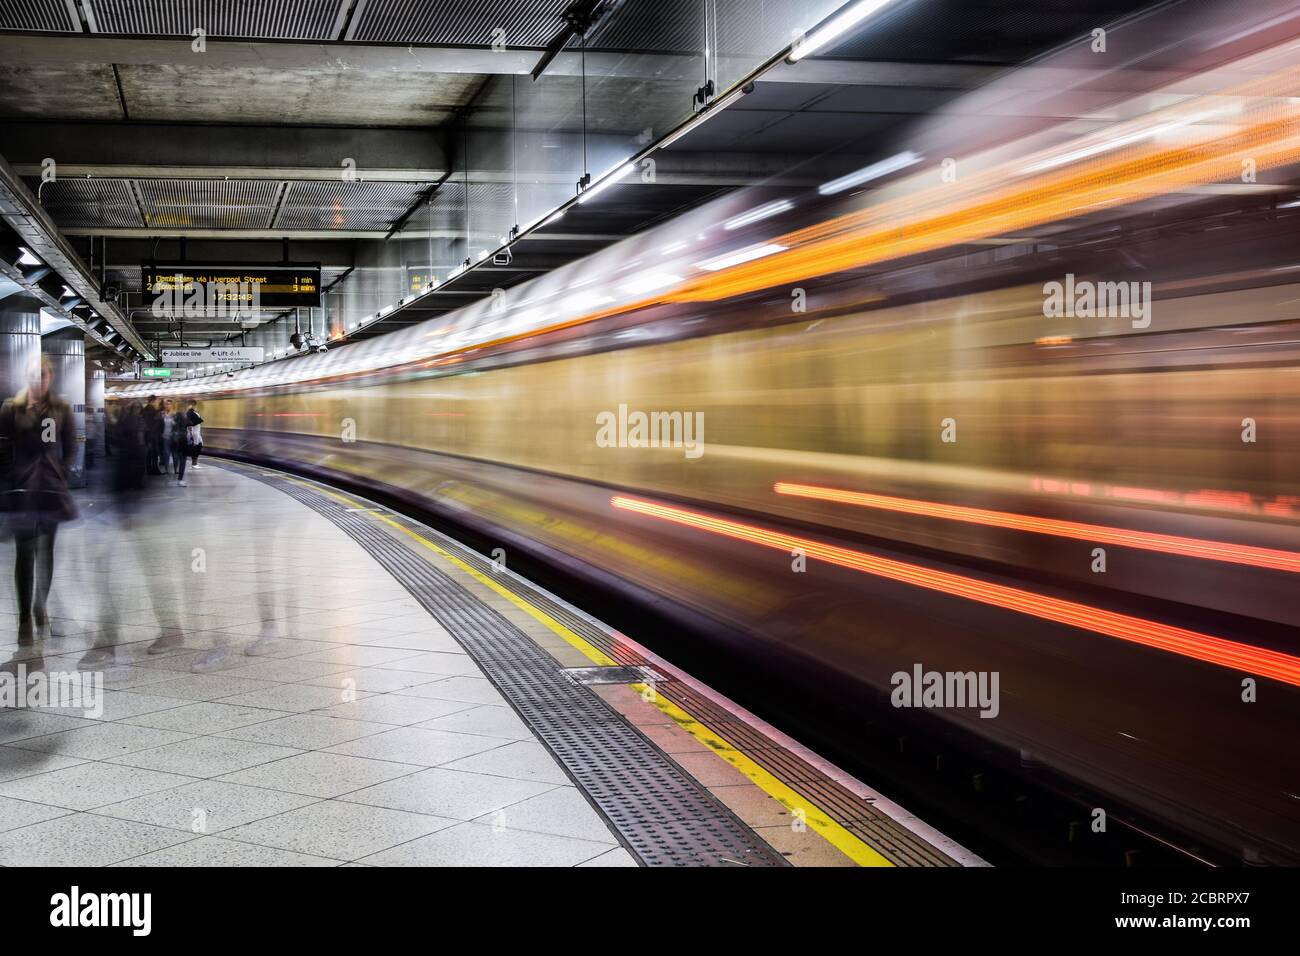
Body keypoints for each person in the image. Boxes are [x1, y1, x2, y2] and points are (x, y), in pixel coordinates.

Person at [0, 357, 79, 647]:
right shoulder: (11, 408)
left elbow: (70, 446)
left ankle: (40, 605)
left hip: (50, 491)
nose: (39, 379)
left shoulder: (62, 408)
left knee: (45, 553)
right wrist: (9, 477)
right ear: (27, 376)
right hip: (22, 491)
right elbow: (2, 446)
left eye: (44, 375)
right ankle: (24, 618)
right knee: (24, 554)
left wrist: (62, 471)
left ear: (50, 377)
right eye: (34, 374)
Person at [142, 394, 162, 475]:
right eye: (156, 401)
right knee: (154, 453)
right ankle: (155, 469)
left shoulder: (144, 409)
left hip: (147, 434)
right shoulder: (152, 409)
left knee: (149, 453)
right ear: (153, 401)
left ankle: (149, 469)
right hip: (152, 434)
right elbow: (155, 421)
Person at [185, 401, 204, 471]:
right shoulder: (190, 413)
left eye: (194, 405)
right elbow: (189, 423)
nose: (194, 406)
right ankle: (194, 464)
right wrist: (190, 432)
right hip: (194, 432)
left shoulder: (193, 412)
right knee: (196, 447)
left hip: (197, 432)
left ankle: (195, 463)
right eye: (192, 405)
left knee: (199, 445)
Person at [159, 398, 176, 475]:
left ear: (172, 405)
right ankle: (166, 469)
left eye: (169, 404)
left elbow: (178, 425)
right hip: (165, 437)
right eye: (166, 404)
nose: (167, 405)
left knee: (175, 454)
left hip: (174, 437)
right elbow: (158, 425)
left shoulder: (175, 414)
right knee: (166, 454)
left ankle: (176, 469)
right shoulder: (161, 414)